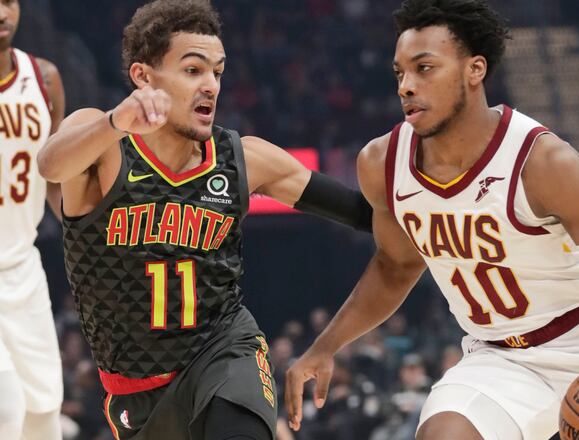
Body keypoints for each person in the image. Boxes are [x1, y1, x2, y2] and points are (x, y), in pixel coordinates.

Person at [286, 0, 579, 439]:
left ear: (475, 69)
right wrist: (326, 345)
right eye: (399, 73)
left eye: (424, 68)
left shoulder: (544, 162)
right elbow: (396, 266)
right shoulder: (382, 163)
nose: (406, 86)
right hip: (501, 361)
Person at [36, 1, 371, 439]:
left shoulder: (241, 158)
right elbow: (50, 165)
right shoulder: (102, 140)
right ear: (143, 76)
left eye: (218, 71)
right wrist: (117, 121)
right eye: (193, 70)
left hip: (224, 350)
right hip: (136, 388)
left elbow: (359, 212)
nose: (211, 85)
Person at [0, 0, 65, 438]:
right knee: (6, 410)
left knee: (44, 410)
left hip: (23, 266)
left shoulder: (44, 78)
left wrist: (87, 234)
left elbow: (55, 178)